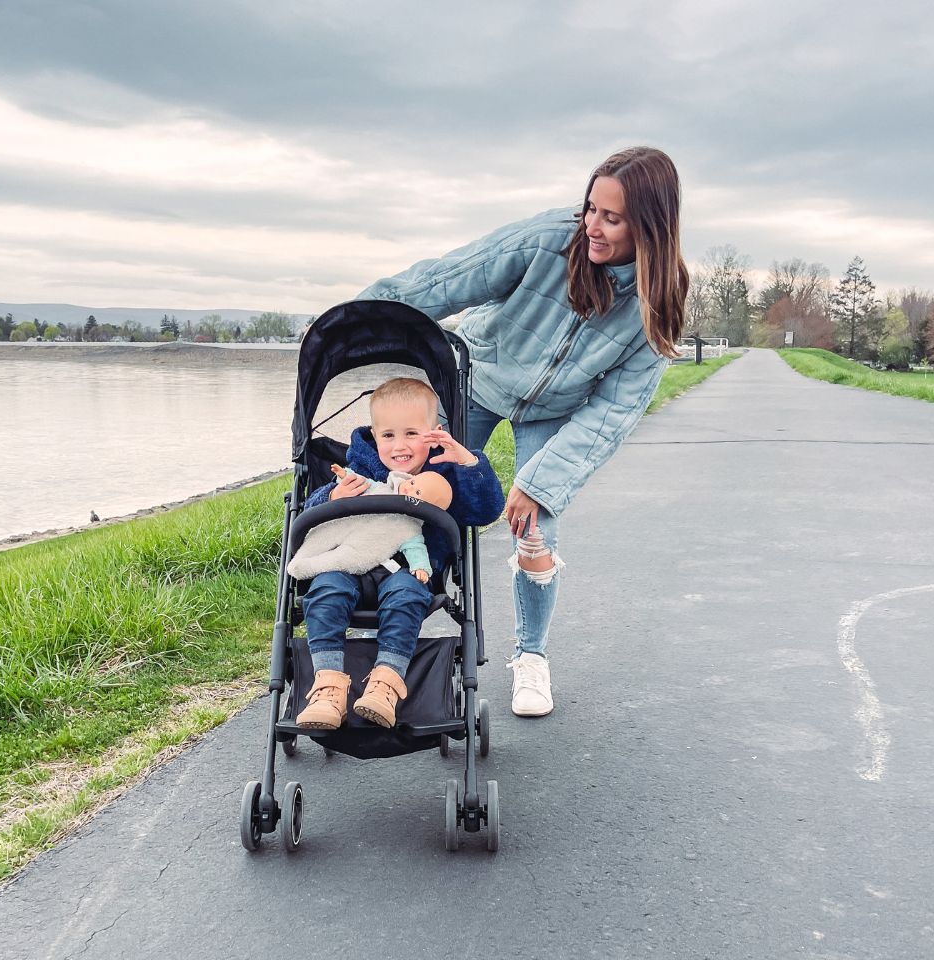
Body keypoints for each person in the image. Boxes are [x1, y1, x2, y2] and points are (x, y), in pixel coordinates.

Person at [357, 146, 688, 718]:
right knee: (415, 492)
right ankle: (397, 610)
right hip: (480, 379)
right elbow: (451, 279)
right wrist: (361, 313)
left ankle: (530, 658)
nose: (593, 226)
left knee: (537, 533)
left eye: (612, 218)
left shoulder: (659, 299)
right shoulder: (549, 241)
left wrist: (541, 482)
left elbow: (614, 410)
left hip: (556, 410)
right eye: (590, 209)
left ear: (651, 226)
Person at [295, 377, 504, 731]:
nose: (399, 446)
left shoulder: (446, 474)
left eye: (411, 433)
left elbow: (486, 510)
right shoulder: (360, 469)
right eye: (388, 436)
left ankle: (386, 685)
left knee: (406, 595)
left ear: (434, 432)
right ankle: (328, 687)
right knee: (326, 588)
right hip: (350, 564)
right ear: (374, 436)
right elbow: (312, 515)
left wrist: (469, 462)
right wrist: (332, 499)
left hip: (413, 572)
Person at [286, 464, 453, 584]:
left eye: (417, 492)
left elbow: (416, 549)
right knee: (322, 535)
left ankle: (305, 568)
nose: (408, 489)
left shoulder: (410, 529)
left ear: (428, 508)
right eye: (412, 483)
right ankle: (298, 561)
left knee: (342, 559)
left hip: (363, 550)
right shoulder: (382, 488)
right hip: (346, 524)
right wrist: (345, 474)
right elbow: (362, 482)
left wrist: (421, 567)